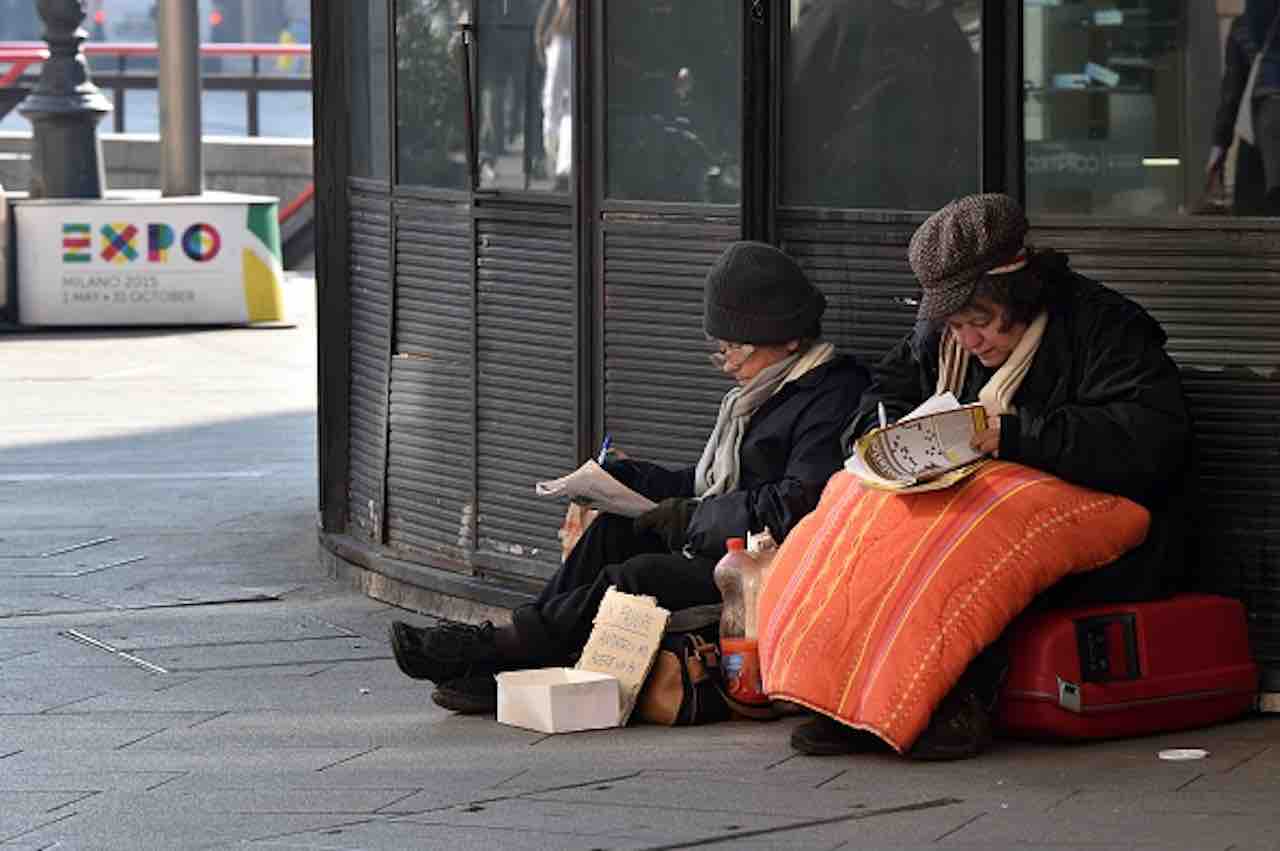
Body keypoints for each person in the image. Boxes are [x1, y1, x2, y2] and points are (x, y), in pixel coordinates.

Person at [389, 241, 871, 714]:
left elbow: (796, 506)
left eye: (737, 351)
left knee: (637, 578)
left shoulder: (831, 397)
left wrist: (692, 518)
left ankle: (497, 648)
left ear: (789, 338)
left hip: (763, 567)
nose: (729, 366)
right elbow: (710, 485)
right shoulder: (762, 391)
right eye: (721, 351)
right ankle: (515, 661)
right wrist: (630, 480)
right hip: (720, 540)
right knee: (614, 530)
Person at [790, 193, 1191, 759]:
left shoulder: (1105, 327)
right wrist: (879, 432)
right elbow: (887, 389)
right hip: (974, 495)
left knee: (966, 540)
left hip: (1109, 516)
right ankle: (841, 694)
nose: (968, 341)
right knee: (856, 508)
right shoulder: (945, 336)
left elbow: (1149, 439)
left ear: (1020, 294)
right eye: (953, 325)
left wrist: (1017, 436)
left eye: (980, 322)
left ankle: (946, 702)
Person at [1209, 1, 1280, 216]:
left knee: (1257, 207)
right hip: (1267, 116)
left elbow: (1232, 92)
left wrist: (1219, 147)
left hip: (1266, 116)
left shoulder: (1245, 25)